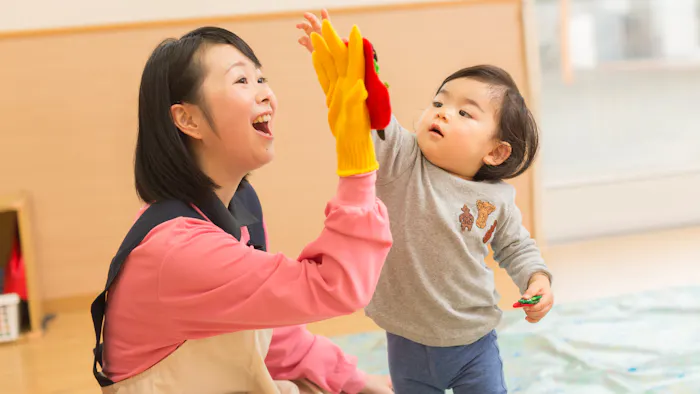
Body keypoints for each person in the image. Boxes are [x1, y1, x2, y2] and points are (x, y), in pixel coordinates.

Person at [91, 26, 395, 394]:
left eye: (261, 77)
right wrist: (356, 160)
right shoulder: (179, 251)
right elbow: (334, 286)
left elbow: (267, 331)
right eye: (241, 80)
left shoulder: (236, 207)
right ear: (188, 120)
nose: (266, 93)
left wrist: (357, 382)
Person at [299, 12, 555, 394]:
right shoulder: (401, 158)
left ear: (496, 152)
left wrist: (537, 280)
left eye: (464, 112)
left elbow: (515, 246)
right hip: (406, 339)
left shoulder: (496, 198)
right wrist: (348, 71)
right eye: (439, 101)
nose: (442, 111)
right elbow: (367, 115)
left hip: (473, 339)